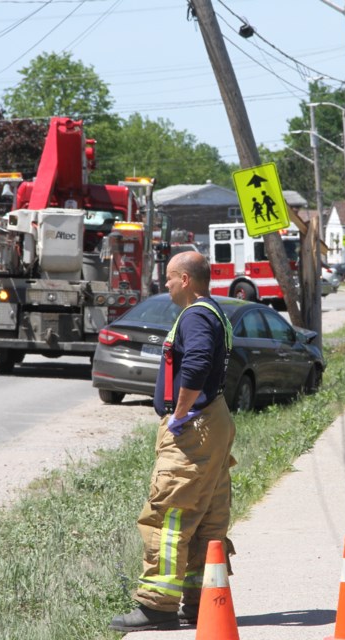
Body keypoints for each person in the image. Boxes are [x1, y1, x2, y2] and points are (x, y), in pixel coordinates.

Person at [109, 251, 237, 633]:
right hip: (213, 421)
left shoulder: (196, 315)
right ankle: (201, 602)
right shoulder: (213, 310)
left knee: (171, 513)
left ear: (185, 279)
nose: (164, 285)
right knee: (207, 519)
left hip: (194, 427)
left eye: (167, 278)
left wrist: (179, 414)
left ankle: (157, 606)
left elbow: (196, 364)